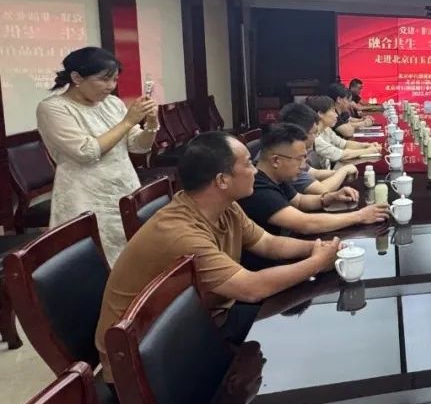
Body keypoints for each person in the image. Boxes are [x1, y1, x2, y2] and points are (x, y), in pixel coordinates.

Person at [94, 132, 345, 382]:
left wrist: (318, 248)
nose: (255, 171)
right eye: (248, 164)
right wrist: (316, 263)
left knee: (299, 309)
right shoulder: (181, 233)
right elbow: (251, 288)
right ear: (222, 180)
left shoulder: (225, 207)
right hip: (143, 362)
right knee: (293, 344)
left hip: (199, 320)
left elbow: (268, 243)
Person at [36, 47, 158, 265]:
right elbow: (86, 152)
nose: (111, 86)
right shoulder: (53, 108)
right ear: (76, 78)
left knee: (133, 259)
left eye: (115, 80)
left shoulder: (112, 103)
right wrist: (129, 121)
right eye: (104, 79)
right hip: (84, 196)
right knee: (95, 262)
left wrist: (151, 122)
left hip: (124, 188)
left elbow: (138, 146)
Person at [239, 123, 390, 269]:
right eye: (300, 158)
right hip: (265, 266)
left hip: (284, 252)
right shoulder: (258, 187)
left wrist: (329, 197)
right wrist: (360, 216)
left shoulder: (276, 176)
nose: (304, 165)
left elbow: (299, 201)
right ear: (276, 160)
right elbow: (304, 224)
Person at [276, 102, 357, 195]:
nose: (316, 137)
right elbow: (322, 190)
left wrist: (340, 173)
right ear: (300, 132)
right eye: (314, 133)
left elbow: (313, 173)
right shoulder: (287, 158)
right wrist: (344, 171)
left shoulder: (293, 150)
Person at [306, 95, 380, 169]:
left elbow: (344, 144)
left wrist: (366, 145)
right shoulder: (314, 138)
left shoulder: (326, 129)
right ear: (320, 114)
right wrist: (370, 150)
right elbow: (341, 155)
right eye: (332, 111)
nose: (336, 115)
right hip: (327, 174)